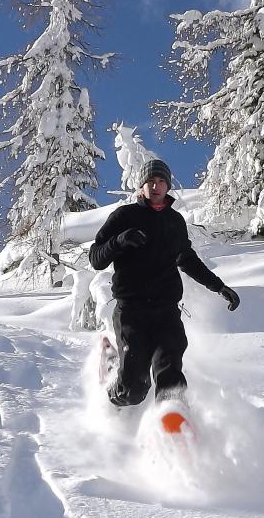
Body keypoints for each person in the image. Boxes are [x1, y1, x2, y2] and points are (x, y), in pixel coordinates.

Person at [89, 159, 239, 407]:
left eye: (161, 182)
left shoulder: (175, 222)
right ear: (142, 187)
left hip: (166, 312)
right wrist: (119, 241)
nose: (156, 186)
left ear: (168, 186)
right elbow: (96, 258)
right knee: (134, 390)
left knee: (170, 369)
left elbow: (188, 260)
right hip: (131, 311)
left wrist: (219, 286)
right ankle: (113, 378)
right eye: (150, 182)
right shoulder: (124, 216)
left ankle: (172, 415)